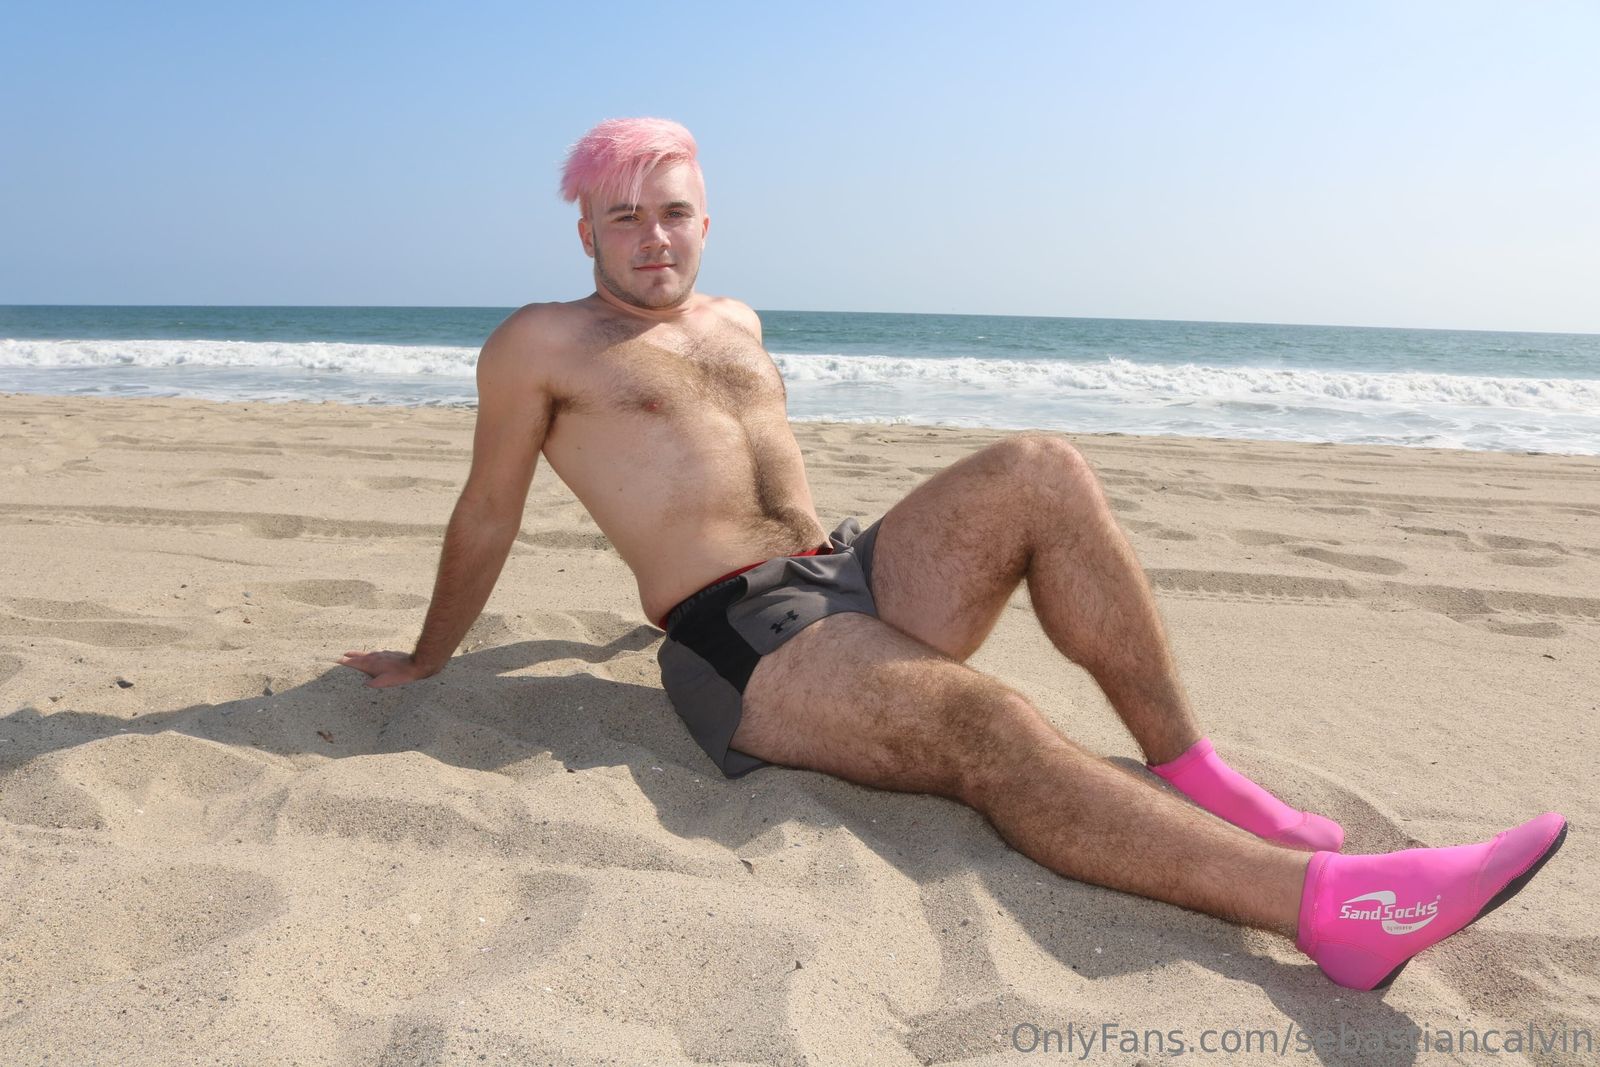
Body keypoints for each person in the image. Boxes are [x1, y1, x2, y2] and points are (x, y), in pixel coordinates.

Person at [337, 117, 1568, 991]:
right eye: (624, 216)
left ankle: (1193, 769)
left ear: (704, 219)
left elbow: (718, 471)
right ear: (585, 230)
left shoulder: (735, 319)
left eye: (672, 212)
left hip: (844, 573)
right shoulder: (541, 342)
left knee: (1040, 464)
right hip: (745, 637)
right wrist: (430, 657)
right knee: (990, 724)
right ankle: (1336, 909)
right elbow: (488, 510)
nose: (652, 237)